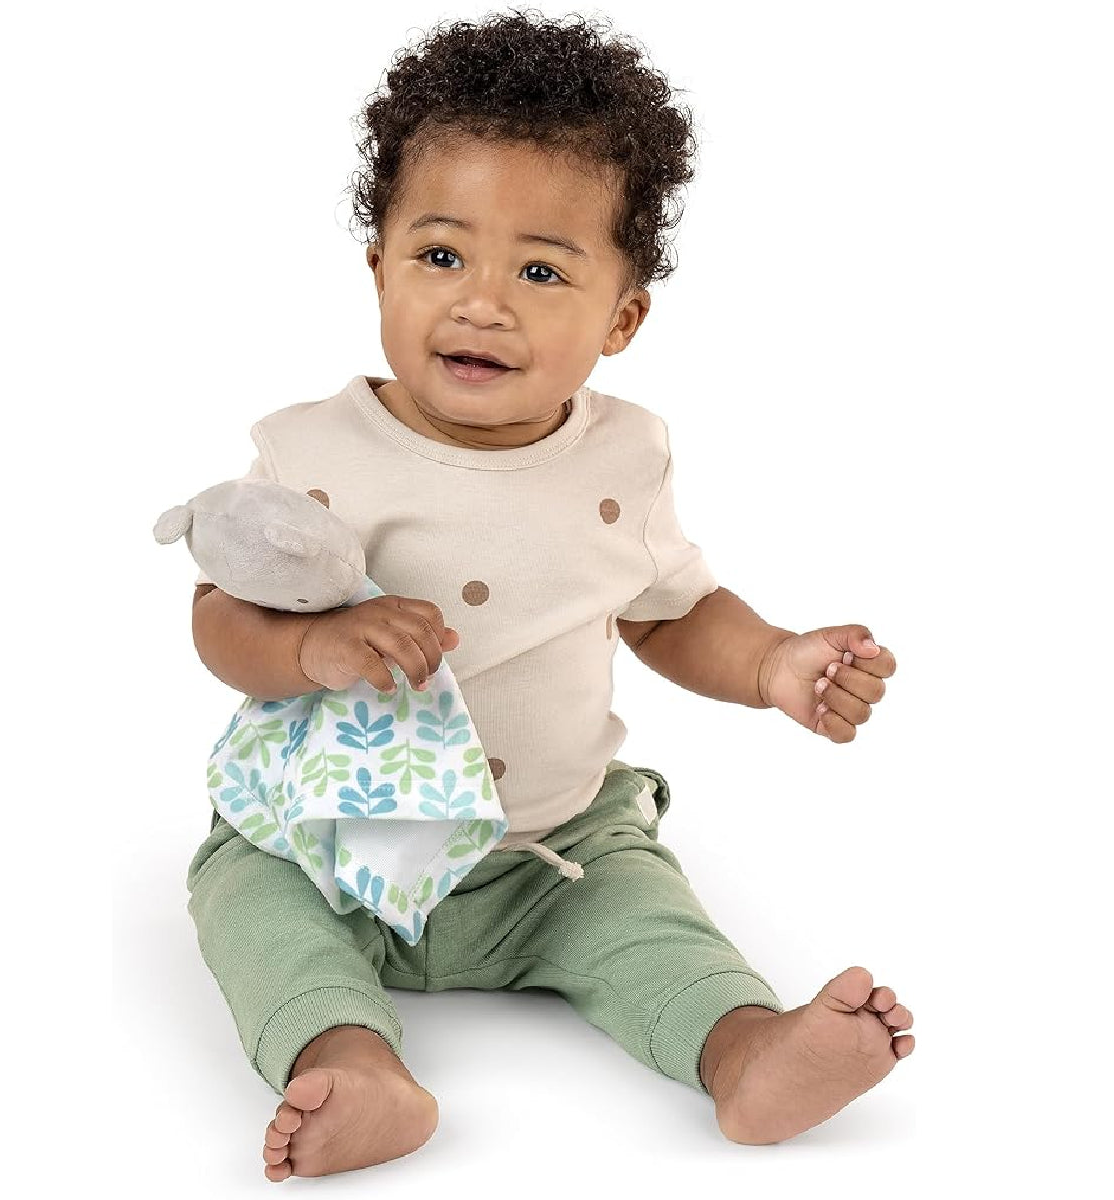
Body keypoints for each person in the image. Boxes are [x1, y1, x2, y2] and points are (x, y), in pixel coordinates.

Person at [184, 10, 912, 1182]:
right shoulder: (315, 452)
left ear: (621, 316)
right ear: (378, 262)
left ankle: (743, 1049)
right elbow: (221, 619)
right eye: (439, 255)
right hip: (325, 839)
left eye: (539, 269)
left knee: (649, 923)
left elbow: (671, 611)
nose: (482, 301)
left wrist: (774, 662)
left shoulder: (624, 463)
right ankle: (354, 1062)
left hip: (551, 856)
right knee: (253, 916)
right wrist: (313, 651)